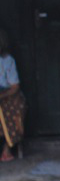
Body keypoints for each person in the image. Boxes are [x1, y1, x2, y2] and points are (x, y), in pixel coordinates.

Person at [0, 28, 26, 162]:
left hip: (6, 94)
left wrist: (2, 96)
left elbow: (15, 87)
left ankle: (7, 149)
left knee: (15, 106)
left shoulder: (7, 60)